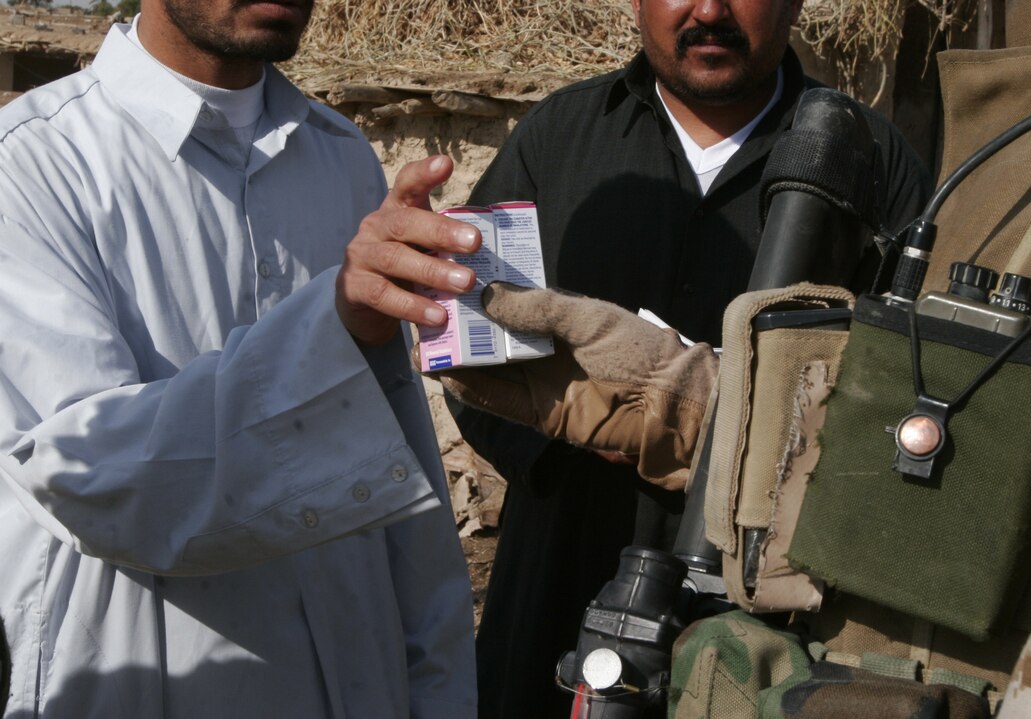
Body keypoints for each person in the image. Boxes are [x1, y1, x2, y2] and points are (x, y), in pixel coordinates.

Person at [448, 1, 933, 716]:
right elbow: (472, 347)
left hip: (760, 614)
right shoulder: (559, 136)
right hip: (560, 564)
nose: (709, 10)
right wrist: (563, 442)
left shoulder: (872, 162)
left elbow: (911, 391)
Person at [0, 1, 483, 717]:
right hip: (144, 673)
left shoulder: (341, 154)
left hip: (352, 674)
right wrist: (332, 327)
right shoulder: (34, 161)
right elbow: (88, 469)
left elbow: (404, 466)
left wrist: (438, 683)